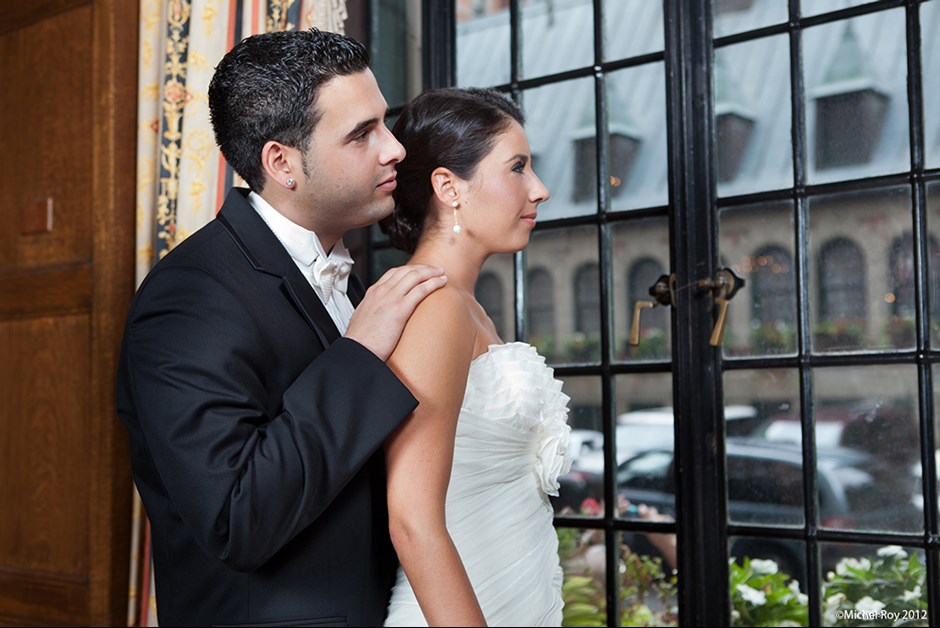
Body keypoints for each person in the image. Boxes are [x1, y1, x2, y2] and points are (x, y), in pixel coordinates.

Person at [116, 29, 447, 627]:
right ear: (282, 164)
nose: (395, 149)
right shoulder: (189, 296)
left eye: (384, 123)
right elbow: (235, 518)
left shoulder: (351, 277)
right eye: (362, 134)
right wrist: (360, 352)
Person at [377, 87, 571, 627]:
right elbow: (412, 517)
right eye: (518, 168)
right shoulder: (435, 308)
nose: (540, 189)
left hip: (516, 595)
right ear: (449, 187)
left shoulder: (465, 306)